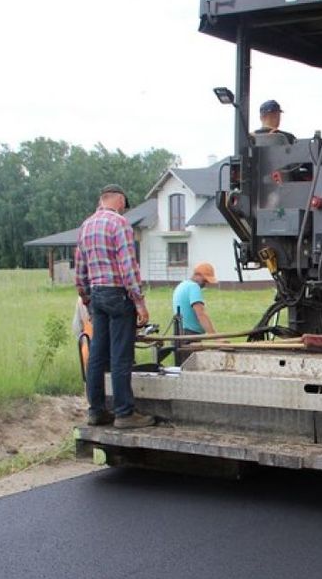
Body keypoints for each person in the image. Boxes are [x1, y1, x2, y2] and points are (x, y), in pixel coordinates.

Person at [74, 184, 155, 429]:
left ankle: (96, 410)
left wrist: (88, 298)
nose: (124, 208)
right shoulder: (119, 224)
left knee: (97, 355)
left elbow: (80, 271)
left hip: (97, 295)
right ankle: (124, 413)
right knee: (121, 355)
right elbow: (128, 267)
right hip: (118, 294)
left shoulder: (86, 226)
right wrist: (139, 302)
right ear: (119, 200)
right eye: (124, 204)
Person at [172, 262, 219, 335]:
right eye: (205, 280)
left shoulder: (182, 285)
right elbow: (201, 314)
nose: (205, 284)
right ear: (198, 275)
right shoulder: (193, 287)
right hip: (190, 334)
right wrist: (216, 337)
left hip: (179, 331)